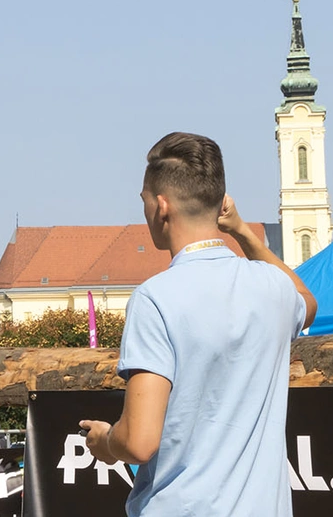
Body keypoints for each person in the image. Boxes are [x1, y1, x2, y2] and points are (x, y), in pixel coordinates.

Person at [79, 132, 317, 517]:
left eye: (143, 201)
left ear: (161, 207)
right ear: (221, 203)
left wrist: (107, 440)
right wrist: (242, 231)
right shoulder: (272, 287)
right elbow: (307, 302)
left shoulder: (155, 298)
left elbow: (139, 442)